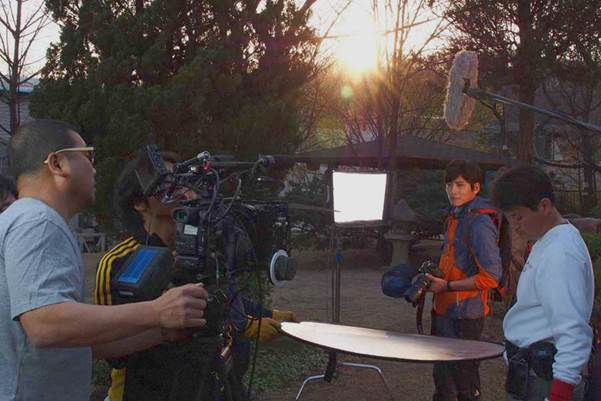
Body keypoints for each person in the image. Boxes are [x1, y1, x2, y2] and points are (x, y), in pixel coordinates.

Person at [0, 119, 208, 401]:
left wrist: (162, 332)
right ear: (57, 164)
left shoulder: (24, 219)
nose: (95, 168)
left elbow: (77, 344)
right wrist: (157, 310)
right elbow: (44, 324)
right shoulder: (38, 221)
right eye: (88, 156)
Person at [96, 149, 297, 401]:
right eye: (168, 181)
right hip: (148, 391)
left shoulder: (206, 249)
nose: (183, 187)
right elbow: (115, 353)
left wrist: (266, 315)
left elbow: (222, 297)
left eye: (185, 178)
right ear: (139, 203)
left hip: (213, 382)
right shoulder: (118, 262)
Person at [491, 164, 593, 401]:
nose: (515, 226)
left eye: (518, 217)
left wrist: (560, 392)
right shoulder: (547, 241)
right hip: (529, 372)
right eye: (510, 218)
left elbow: (572, 329)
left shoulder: (560, 252)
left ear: (544, 206)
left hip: (546, 378)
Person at [425, 160, 503, 401]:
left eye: (460, 185)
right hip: (444, 311)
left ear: (475, 188)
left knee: (464, 384)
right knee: (443, 381)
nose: (453, 191)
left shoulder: (478, 223)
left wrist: (447, 286)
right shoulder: (455, 216)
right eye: (449, 185)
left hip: (465, 315)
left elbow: (492, 277)